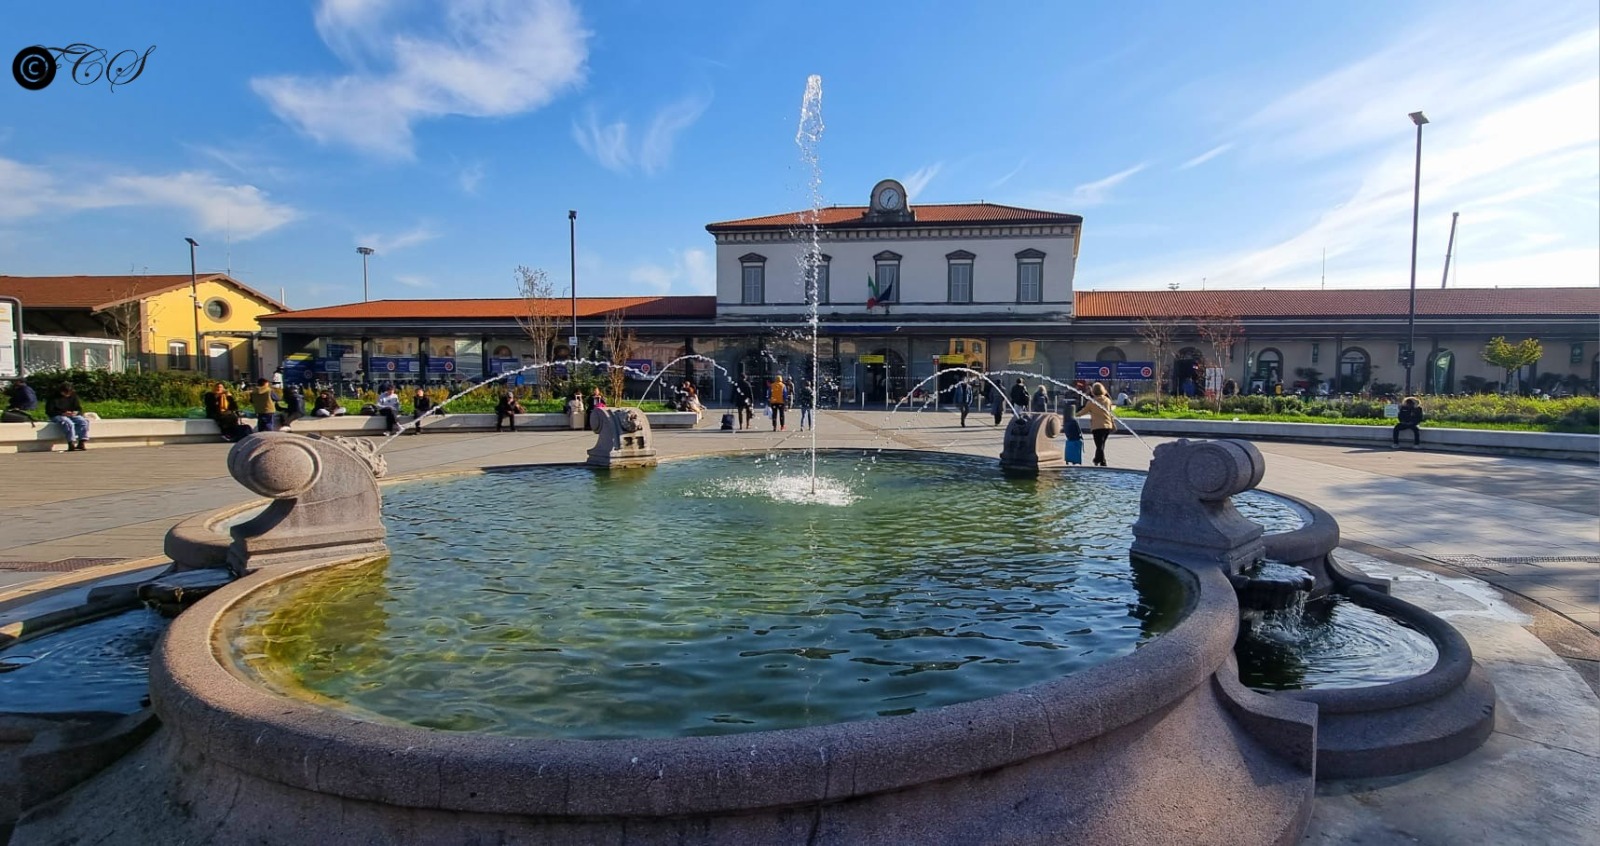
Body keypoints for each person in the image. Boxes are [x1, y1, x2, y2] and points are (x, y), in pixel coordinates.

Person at [46, 382, 89, 451]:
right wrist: (62, 413)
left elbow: (78, 408)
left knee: (83, 421)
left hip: (71, 414)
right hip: (58, 414)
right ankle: (71, 442)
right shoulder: (53, 397)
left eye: (69, 393)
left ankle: (81, 442)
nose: (67, 395)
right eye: (65, 393)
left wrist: (76, 412)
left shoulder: (73, 396)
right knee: (68, 423)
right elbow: (49, 411)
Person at [1087, 382, 1116, 467]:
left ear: (1093, 391)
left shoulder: (1092, 401)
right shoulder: (1107, 400)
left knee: (1099, 445)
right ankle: (1097, 459)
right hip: (1107, 426)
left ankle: (1102, 462)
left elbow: (1084, 411)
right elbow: (1110, 413)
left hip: (1096, 427)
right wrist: (1113, 424)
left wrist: (1074, 414)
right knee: (1101, 444)